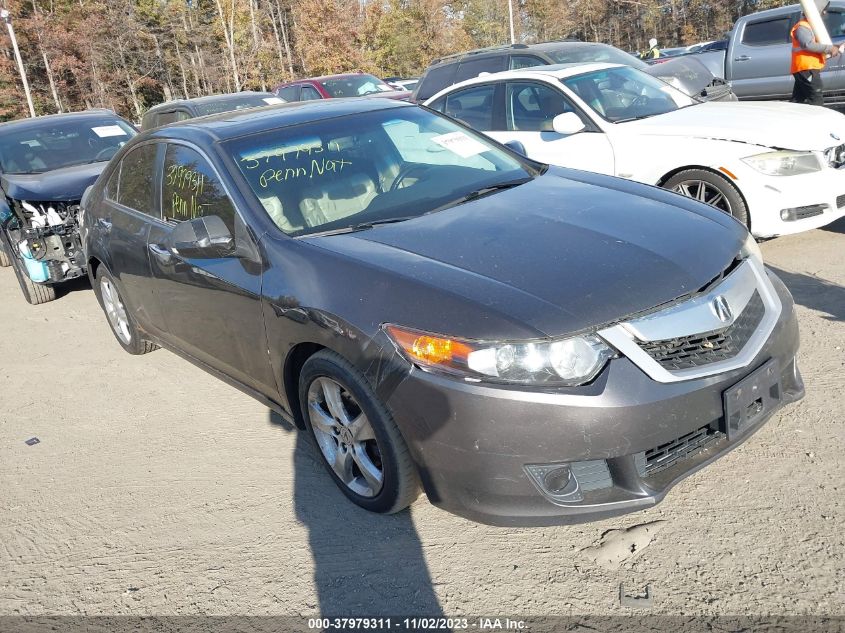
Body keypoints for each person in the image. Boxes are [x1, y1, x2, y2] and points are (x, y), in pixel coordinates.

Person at [791, 0, 841, 106]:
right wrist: (829, 49)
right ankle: (819, 121)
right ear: (817, 11)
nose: (825, 13)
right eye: (824, 10)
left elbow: (815, 47)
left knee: (797, 101)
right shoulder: (803, 26)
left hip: (805, 68)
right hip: (806, 69)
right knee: (816, 99)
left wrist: (835, 48)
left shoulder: (811, 27)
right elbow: (807, 44)